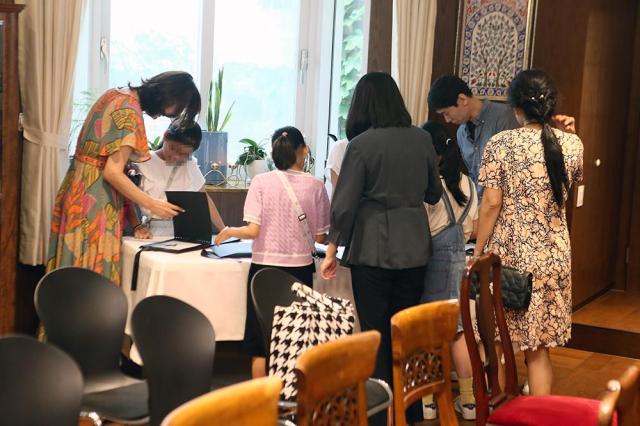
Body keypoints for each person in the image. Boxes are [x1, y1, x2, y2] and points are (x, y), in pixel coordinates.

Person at [320, 72, 442, 425]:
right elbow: (433, 193)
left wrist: (332, 247)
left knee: (376, 332)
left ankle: (379, 415)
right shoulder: (421, 139)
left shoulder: (362, 145)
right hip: (415, 248)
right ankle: (411, 410)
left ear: (362, 104)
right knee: (404, 330)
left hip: (373, 248)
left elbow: (343, 207)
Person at [473, 69, 584, 396]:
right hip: (553, 260)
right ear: (551, 106)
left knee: (495, 342)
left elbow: (491, 204)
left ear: (516, 108)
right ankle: (538, 416)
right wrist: (573, 135)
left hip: (509, 261)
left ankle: (497, 412)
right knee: (538, 350)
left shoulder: (502, 143)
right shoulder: (572, 143)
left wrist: (478, 253)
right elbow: (573, 187)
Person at [47, 71, 200, 285]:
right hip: (95, 201)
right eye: (176, 109)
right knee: (91, 279)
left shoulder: (115, 95)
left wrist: (137, 222)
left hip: (77, 190)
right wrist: (151, 203)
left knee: (71, 276)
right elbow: (112, 172)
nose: (170, 115)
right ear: (169, 98)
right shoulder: (129, 113)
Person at [214, 126, 330, 379]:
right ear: (304, 150)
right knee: (296, 339)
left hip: (262, 271)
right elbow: (321, 236)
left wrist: (231, 231)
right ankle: (295, 402)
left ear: (273, 152)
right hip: (299, 270)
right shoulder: (316, 186)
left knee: (260, 344)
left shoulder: (260, 182)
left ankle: (261, 403)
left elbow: (253, 230)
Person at [427, 74, 576, 199]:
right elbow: (474, 176)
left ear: (462, 100)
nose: (447, 120)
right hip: (480, 210)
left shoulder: (505, 118)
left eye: (446, 113)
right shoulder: (461, 133)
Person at [419, 121, 478, 421]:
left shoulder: (428, 184)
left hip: (431, 264)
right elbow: (473, 229)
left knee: (426, 333)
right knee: (458, 332)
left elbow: (421, 230)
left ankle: (427, 401)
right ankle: (468, 402)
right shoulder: (467, 182)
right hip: (459, 263)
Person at [132, 121, 225, 238]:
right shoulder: (144, 162)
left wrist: (223, 229)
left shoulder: (189, 165)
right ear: (165, 136)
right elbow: (128, 201)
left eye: (184, 154)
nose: (176, 157)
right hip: (151, 231)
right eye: (173, 149)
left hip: (187, 231)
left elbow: (204, 199)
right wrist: (136, 226)